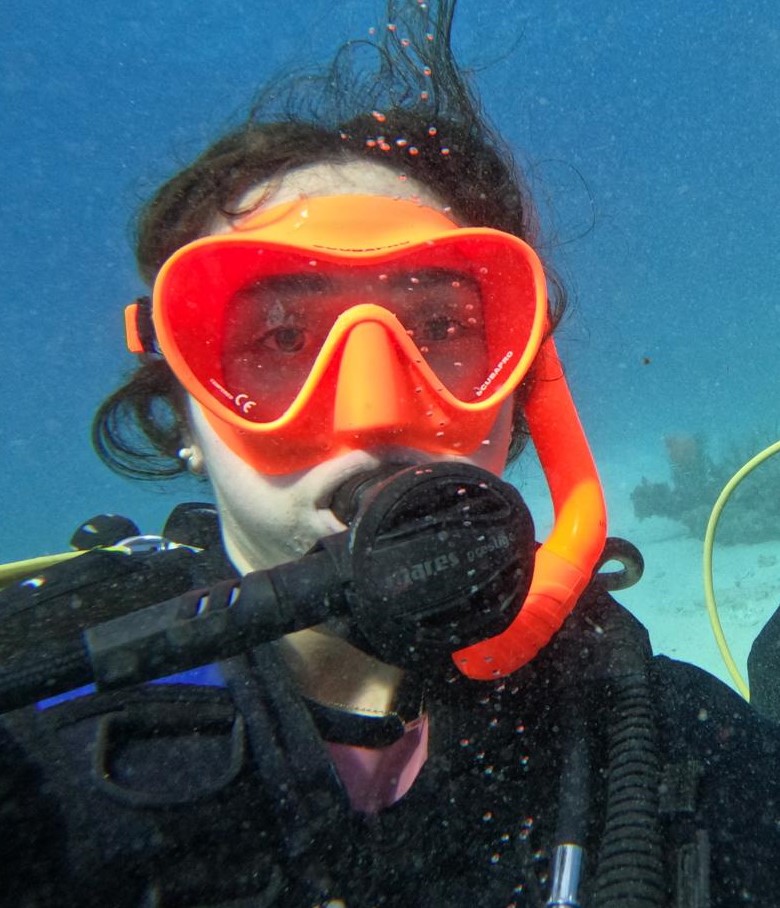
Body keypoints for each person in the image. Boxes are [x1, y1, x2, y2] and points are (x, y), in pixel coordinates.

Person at [1, 2, 779, 906]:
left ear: (523, 386)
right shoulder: (39, 717)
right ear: (180, 412)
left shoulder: (655, 729)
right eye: (282, 340)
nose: (372, 414)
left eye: (441, 327)